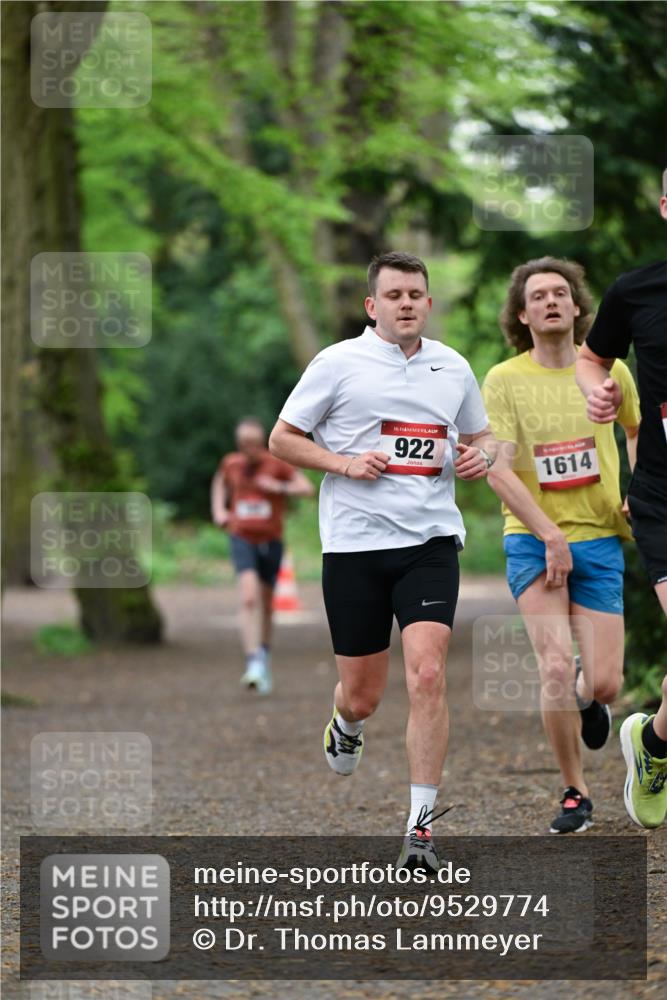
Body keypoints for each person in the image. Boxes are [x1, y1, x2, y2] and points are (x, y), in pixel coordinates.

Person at [269, 251, 495, 871]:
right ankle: (346, 722)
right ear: (372, 306)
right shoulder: (337, 363)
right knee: (364, 695)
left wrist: (484, 456)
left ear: (429, 302)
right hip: (355, 546)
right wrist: (344, 464)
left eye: (415, 294)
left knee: (428, 674)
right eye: (393, 295)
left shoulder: (452, 367)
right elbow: (283, 438)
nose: (406, 304)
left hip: (430, 544)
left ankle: (420, 832)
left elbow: (483, 437)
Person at [483, 257, 640, 834]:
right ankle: (576, 792)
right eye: (538, 296)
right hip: (532, 538)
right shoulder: (504, 379)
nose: (550, 301)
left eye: (559, 293)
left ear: (577, 307)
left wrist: (638, 489)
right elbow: (497, 469)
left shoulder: (609, 371)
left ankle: (586, 690)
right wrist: (548, 535)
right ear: (522, 315)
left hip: (599, 535)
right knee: (550, 666)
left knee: (605, 684)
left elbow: (636, 430)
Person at [575, 171, 667, 830]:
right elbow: (591, 360)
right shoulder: (635, 290)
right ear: (664, 207)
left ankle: (653, 743)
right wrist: (597, 392)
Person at [211, 417, 314, 694]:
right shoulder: (231, 463)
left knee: (267, 605)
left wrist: (278, 487)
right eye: (244, 444)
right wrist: (219, 511)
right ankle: (253, 661)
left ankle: (264, 654)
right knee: (248, 597)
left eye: (254, 444)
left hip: (271, 540)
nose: (249, 449)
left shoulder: (276, 463)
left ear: (262, 442)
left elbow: (306, 488)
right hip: (241, 536)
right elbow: (219, 482)